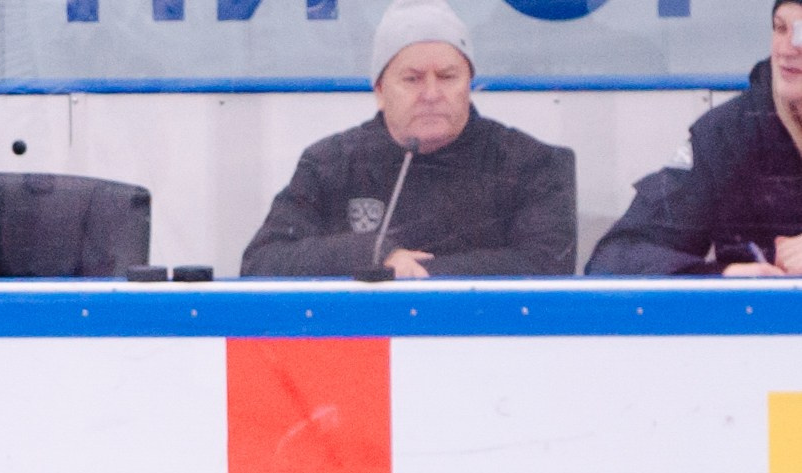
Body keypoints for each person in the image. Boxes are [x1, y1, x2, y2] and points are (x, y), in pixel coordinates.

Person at [240, 0, 575, 280]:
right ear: (380, 91)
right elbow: (262, 263)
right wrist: (373, 253)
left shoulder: (531, 163)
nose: (431, 94)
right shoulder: (331, 163)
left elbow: (547, 266)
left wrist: (413, 274)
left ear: (470, 84)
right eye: (412, 79)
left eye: (447, 77)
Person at [587, 3, 802, 277]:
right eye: (780, 28)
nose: (786, 49)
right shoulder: (729, 134)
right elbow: (618, 258)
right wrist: (723, 277)